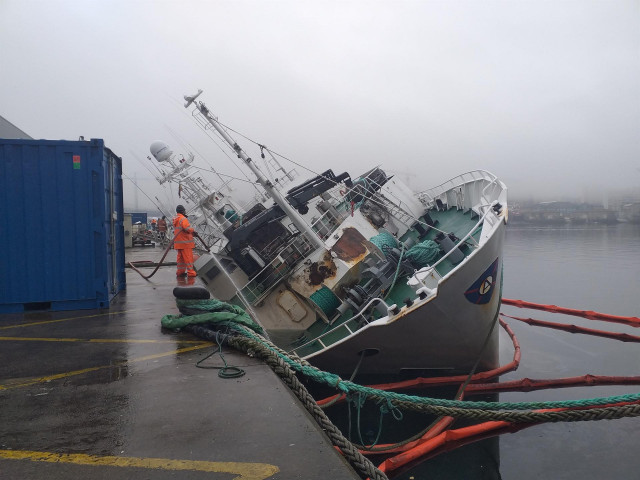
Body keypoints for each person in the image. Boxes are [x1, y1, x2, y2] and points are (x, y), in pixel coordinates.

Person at [172, 205, 197, 277]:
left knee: (181, 259)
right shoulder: (183, 219)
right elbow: (187, 228)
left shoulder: (176, 219)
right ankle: (191, 273)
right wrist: (193, 230)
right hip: (185, 243)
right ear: (182, 211)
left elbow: (180, 230)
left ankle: (180, 272)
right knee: (188, 258)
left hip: (179, 243)